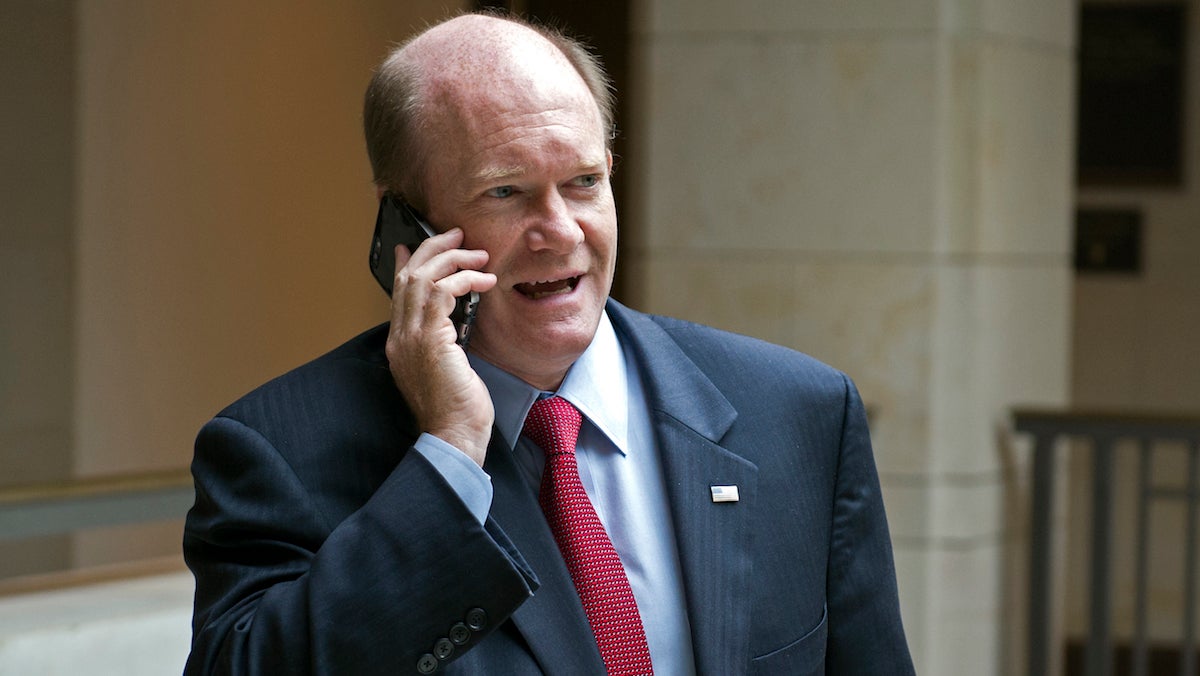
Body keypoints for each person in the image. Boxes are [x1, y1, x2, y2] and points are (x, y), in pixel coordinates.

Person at [183, 11, 914, 676]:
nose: (561, 231)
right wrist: (448, 453)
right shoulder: (275, 451)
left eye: (584, 182)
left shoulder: (798, 412)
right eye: (506, 191)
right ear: (408, 228)